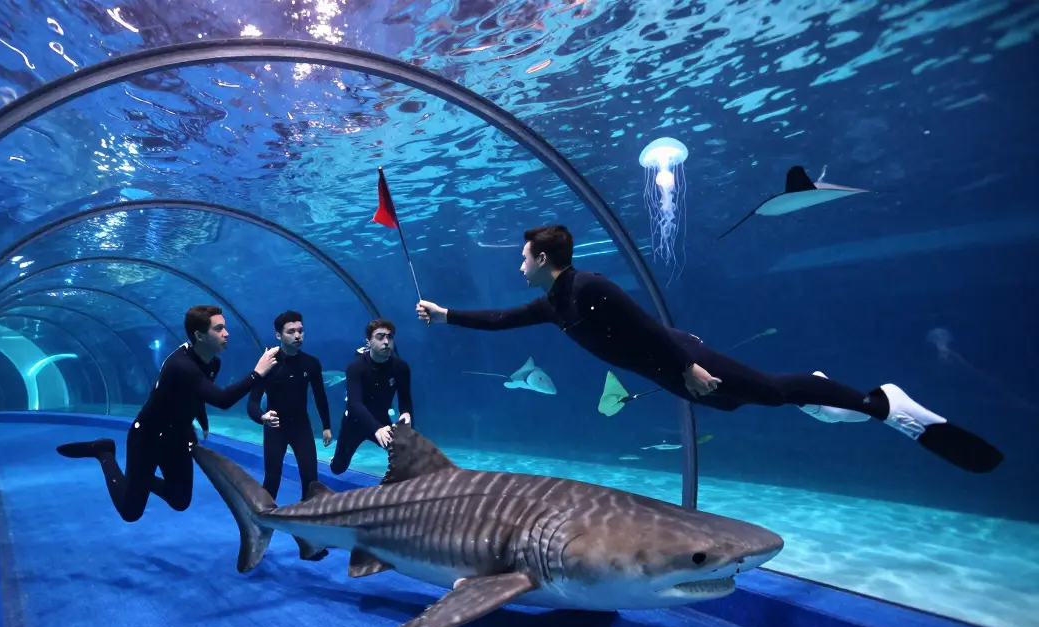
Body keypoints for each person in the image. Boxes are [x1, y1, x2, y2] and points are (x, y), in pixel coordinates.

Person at [415, 225, 1003, 474]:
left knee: (769, 389)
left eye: (522, 257)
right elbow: (496, 320)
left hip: (677, 355)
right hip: (665, 367)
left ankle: (880, 404)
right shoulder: (552, 304)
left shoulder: (589, 288)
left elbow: (647, 328)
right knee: (746, 403)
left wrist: (688, 368)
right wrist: (445, 317)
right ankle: (819, 394)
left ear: (542, 258)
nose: (518, 266)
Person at [55, 305, 280, 522]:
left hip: (176, 436)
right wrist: (257, 373)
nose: (226, 333)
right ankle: (104, 452)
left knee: (180, 500)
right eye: (218, 328)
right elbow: (221, 400)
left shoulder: (212, 363)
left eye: (225, 327)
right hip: (148, 437)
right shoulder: (181, 366)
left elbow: (197, 393)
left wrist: (200, 420)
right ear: (199, 336)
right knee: (130, 512)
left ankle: (140, 479)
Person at [247, 310, 334, 502]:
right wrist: (262, 417)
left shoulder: (311, 363)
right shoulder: (269, 363)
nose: (297, 336)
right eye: (291, 331)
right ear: (278, 335)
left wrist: (326, 426)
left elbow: (320, 396)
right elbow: (252, 402)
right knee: (272, 480)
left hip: (301, 427)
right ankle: (262, 523)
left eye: (300, 331)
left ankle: (307, 525)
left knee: (311, 480)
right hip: (275, 428)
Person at [330, 318, 414, 477]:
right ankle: (337, 459)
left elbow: (405, 399)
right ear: (368, 341)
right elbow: (355, 404)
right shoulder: (356, 367)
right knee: (338, 469)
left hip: (382, 421)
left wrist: (406, 413)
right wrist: (376, 429)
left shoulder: (401, 367)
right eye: (380, 337)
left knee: (406, 457)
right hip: (354, 422)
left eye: (390, 337)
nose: (386, 342)